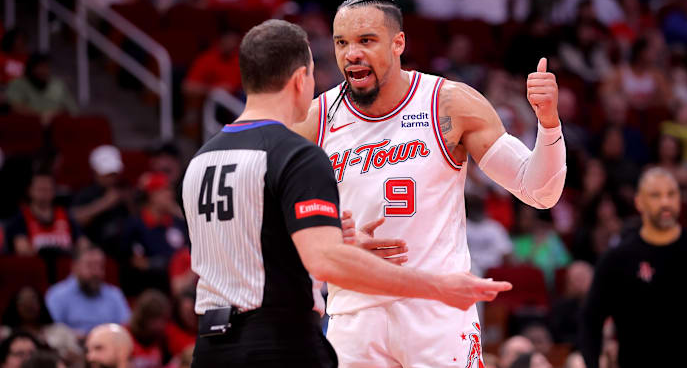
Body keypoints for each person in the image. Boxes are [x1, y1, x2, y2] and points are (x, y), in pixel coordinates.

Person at [182, 19, 511, 367]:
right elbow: (325, 261)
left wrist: (335, 237)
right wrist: (437, 287)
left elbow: (256, 246)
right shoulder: (297, 154)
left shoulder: (203, 159)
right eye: (312, 74)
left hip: (212, 344)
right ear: (299, 80)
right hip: (277, 340)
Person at [292, 0, 567, 367]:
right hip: (354, 315)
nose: (351, 53)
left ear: (398, 42)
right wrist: (332, 241)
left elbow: (539, 192)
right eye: (341, 43)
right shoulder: (314, 121)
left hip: (437, 311)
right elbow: (276, 225)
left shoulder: (448, 104)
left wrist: (549, 124)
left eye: (366, 41)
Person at [579, 167, 687, 368]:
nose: (665, 202)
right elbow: (590, 319)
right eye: (655, 195)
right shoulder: (618, 259)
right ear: (639, 202)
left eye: (671, 194)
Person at [45, 246, 131, 336]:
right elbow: (51, 330)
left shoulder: (115, 295)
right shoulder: (57, 295)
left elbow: (126, 328)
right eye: (90, 266)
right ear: (75, 267)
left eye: (100, 267)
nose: (96, 273)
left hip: (109, 346)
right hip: (72, 347)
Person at [6, 53, 77, 125]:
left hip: (57, 126)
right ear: (31, 69)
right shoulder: (18, 84)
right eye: (40, 67)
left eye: (46, 67)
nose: (44, 71)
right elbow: (14, 107)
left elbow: (73, 110)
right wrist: (40, 116)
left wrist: (54, 115)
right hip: (25, 127)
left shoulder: (58, 84)